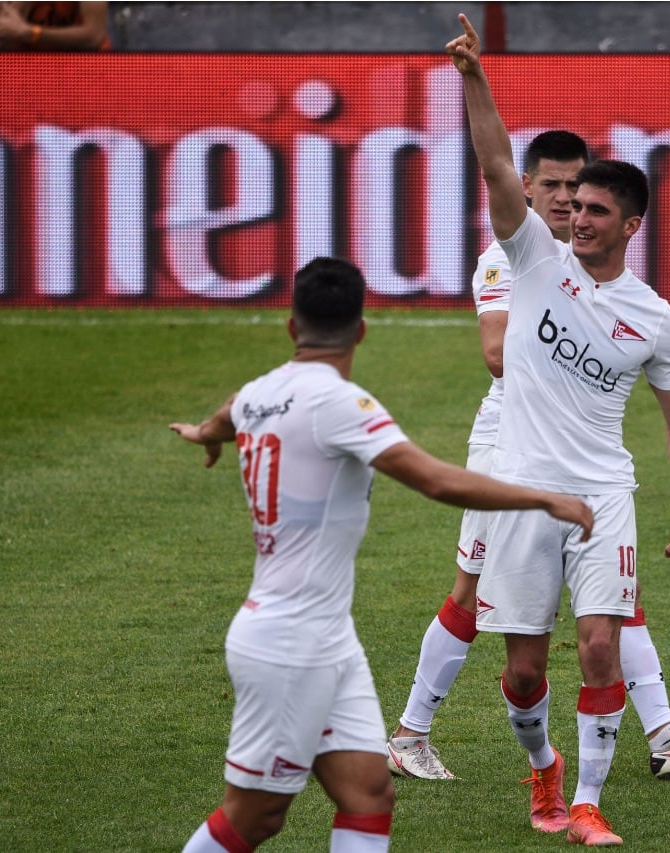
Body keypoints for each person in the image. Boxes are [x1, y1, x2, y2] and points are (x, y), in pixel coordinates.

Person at [445, 13, 670, 846]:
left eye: (593, 210)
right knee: (523, 672)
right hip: (521, 489)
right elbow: (496, 165)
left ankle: (585, 802)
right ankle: (542, 766)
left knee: (596, 650)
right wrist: (474, 78)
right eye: (573, 205)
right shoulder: (532, 260)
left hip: (603, 495)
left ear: (630, 225)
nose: (576, 218)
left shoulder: (654, 318)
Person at [171, 256, 595, 853]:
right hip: (290, 641)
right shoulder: (341, 405)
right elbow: (437, 482)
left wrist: (204, 433)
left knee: (369, 794)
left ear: (292, 327)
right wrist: (544, 497)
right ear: (362, 330)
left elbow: (227, 414)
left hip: (325, 637)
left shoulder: (260, 393)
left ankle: (407, 738)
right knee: (255, 817)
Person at [387, 129, 590, 781]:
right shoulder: (507, 256)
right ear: (525, 185)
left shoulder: (589, 256)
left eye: (575, 184)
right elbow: (497, 355)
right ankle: (410, 733)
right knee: (471, 591)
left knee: (611, 591)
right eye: (551, 184)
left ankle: (667, 732)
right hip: (510, 445)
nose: (565, 197)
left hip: (572, 444)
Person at [0, 1, 110, 51]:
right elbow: (3, 39)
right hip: (29, 65)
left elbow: (93, 37)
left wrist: (32, 34)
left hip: (83, 63)